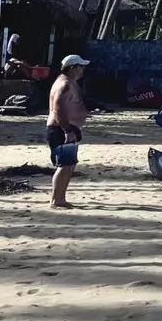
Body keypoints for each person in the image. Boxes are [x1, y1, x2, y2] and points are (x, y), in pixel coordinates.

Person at [46, 56, 90, 209]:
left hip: (67, 128)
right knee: (64, 165)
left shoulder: (67, 82)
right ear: (73, 67)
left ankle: (61, 198)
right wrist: (67, 130)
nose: (83, 69)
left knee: (69, 165)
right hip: (61, 129)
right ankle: (56, 200)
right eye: (81, 66)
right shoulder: (64, 83)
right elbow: (57, 108)